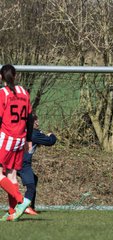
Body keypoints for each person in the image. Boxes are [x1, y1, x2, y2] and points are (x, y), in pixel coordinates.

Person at [0, 64, 33, 221]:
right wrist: (29, 139)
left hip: (6, 138)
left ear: (1, 77)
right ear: (16, 75)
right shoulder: (24, 93)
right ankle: (13, 213)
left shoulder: (3, 93)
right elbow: (30, 118)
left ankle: (21, 201)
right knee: (12, 175)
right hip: (20, 139)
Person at [17, 114, 57, 215]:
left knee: (33, 179)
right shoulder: (34, 134)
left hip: (14, 161)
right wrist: (51, 135)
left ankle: (30, 207)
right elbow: (50, 142)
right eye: (36, 121)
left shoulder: (21, 130)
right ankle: (25, 207)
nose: (38, 123)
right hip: (23, 163)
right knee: (31, 186)